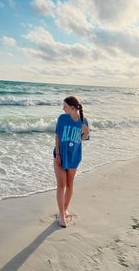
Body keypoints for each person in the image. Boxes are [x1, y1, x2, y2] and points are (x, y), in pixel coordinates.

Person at [53, 96, 89, 227]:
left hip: (74, 156)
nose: (63, 108)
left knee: (70, 184)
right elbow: (57, 135)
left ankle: (65, 209)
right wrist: (57, 154)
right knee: (61, 185)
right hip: (60, 156)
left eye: (65, 106)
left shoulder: (83, 121)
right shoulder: (62, 119)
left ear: (73, 108)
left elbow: (84, 138)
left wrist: (86, 132)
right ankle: (61, 216)